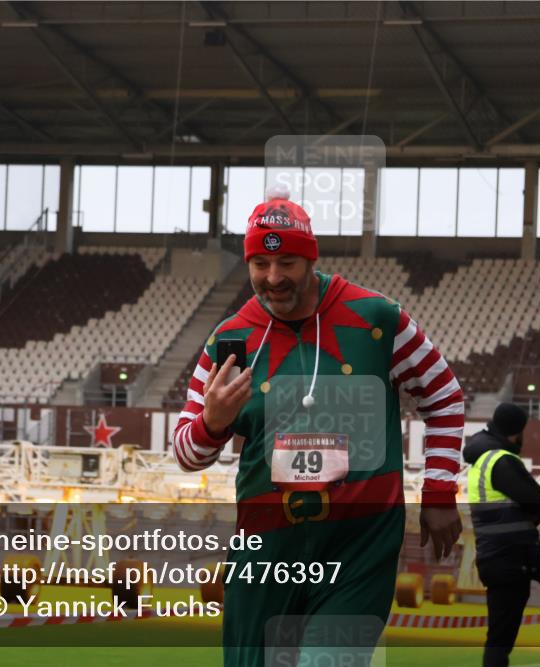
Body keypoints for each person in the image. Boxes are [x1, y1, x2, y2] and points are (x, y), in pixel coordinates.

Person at [172, 186, 465, 666]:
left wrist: (438, 493)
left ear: (311, 258)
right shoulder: (229, 338)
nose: (273, 278)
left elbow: (444, 396)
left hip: (359, 547)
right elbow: (187, 454)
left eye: (286, 262)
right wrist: (212, 422)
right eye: (260, 264)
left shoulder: (379, 319)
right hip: (266, 550)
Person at [463, 403, 540, 667]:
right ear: (516, 432)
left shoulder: (482, 460)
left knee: (499, 636)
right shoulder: (501, 461)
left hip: (495, 556)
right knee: (500, 640)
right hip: (510, 559)